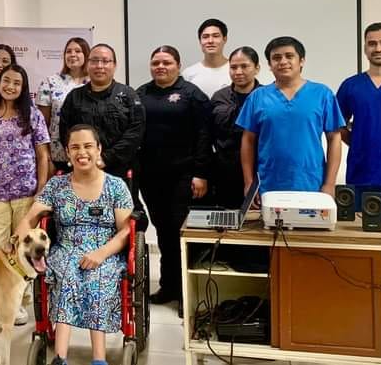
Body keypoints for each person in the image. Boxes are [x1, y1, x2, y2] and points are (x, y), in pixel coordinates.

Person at [16, 124, 133, 365]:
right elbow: (30, 218)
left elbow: (125, 232)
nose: (82, 152)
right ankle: (60, 357)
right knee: (67, 275)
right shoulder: (56, 186)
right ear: (67, 153)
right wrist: (17, 243)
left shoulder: (116, 186)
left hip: (105, 249)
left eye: (88, 146)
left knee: (97, 278)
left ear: (99, 149)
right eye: (75, 147)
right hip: (66, 248)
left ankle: (99, 359)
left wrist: (101, 253)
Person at [0, 64, 50, 325]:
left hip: (26, 193)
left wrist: (41, 189)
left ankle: (18, 302)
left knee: (24, 249)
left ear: (23, 87)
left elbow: (42, 154)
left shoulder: (33, 115)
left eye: (17, 82)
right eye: (6, 81)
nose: (10, 86)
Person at [136, 46, 212, 308]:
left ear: (178, 66)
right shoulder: (141, 94)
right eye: (155, 62)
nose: (160, 66)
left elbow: (204, 135)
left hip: (183, 175)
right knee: (163, 232)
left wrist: (201, 173)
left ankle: (185, 293)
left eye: (166, 62)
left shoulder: (192, 95)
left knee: (180, 232)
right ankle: (168, 286)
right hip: (150, 176)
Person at [336, 22, 381, 307]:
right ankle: (365, 297)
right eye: (372, 43)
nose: (378, 48)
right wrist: (361, 142)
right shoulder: (352, 86)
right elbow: (338, 125)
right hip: (361, 179)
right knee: (363, 242)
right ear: (365, 48)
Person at [237, 36, 345, 196]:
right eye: (276, 58)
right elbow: (248, 140)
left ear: (301, 61)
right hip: (268, 185)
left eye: (289, 56)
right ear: (269, 65)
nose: (283, 61)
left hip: (312, 184)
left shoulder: (322, 94)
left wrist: (329, 184)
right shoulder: (257, 97)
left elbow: (334, 139)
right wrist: (249, 183)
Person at [58, 43, 145, 181]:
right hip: (82, 169)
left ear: (114, 65)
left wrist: (106, 158)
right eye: (94, 61)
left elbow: (135, 132)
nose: (99, 66)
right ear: (87, 65)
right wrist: (83, 158)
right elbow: (65, 132)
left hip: (120, 170)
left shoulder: (128, 95)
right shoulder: (74, 97)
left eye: (105, 61)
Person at [210, 46, 262, 208]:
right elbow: (209, 133)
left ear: (257, 68)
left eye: (244, 66)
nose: (238, 72)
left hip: (259, 171)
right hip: (224, 171)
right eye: (233, 67)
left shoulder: (266, 96)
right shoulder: (219, 97)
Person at [36, 37, 90, 172]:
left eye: (78, 51)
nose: (72, 54)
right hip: (59, 155)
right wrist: (46, 155)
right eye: (68, 51)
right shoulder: (50, 82)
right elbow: (42, 125)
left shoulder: (94, 83)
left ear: (87, 55)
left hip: (89, 155)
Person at [182, 18, 231, 98]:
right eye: (205, 37)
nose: (210, 41)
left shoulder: (236, 71)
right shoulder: (188, 73)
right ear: (200, 41)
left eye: (216, 36)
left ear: (225, 39)